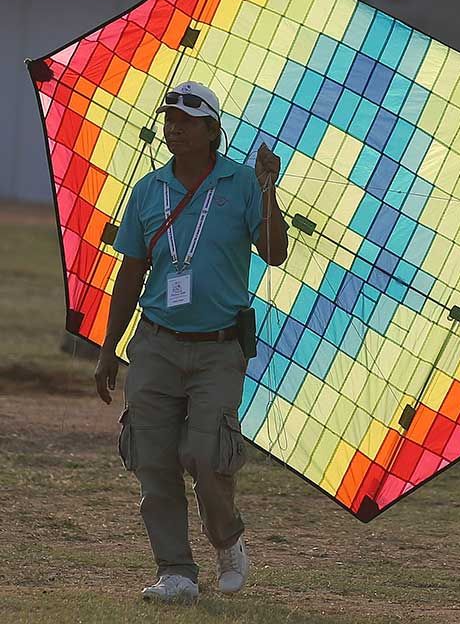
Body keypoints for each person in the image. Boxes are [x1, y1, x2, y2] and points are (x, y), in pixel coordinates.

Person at [94, 81, 288, 604]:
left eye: (186, 120)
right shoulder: (148, 190)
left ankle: (227, 541)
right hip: (155, 342)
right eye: (169, 119)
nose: (173, 127)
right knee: (152, 458)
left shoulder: (243, 183)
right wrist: (110, 347)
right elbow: (131, 271)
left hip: (219, 347)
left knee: (207, 452)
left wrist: (270, 188)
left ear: (211, 130)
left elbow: (274, 253)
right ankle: (176, 572)